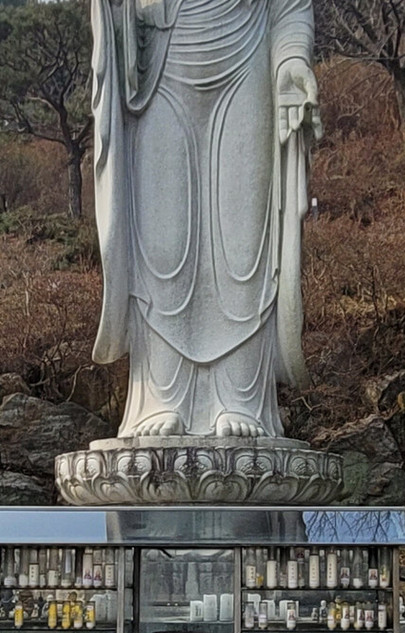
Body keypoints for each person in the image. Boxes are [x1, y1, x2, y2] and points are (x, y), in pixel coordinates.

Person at [90, 0, 322, 439]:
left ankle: (240, 396)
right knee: (161, 243)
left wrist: (292, 57)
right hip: (159, 68)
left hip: (248, 60)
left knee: (244, 244)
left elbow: (290, 6)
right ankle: (162, 395)